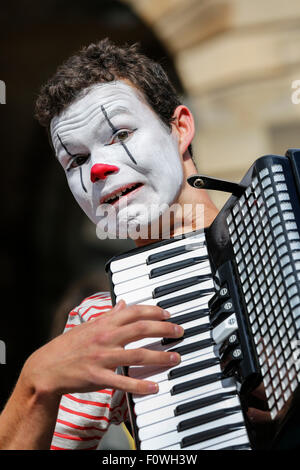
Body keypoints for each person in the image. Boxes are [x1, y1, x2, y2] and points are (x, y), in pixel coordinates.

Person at [0, 38, 219, 450]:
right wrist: (35, 381)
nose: (99, 169)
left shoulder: (284, 231)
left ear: (181, 129)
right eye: (77, 160)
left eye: (120, 133)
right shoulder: (102, 323)